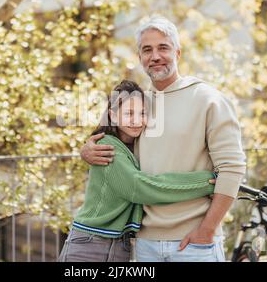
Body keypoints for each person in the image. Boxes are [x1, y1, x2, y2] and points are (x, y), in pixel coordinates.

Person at [80, 16, 246, 262]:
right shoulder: (137, 104)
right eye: (147, 50)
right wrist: (85, 151)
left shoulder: (208, 99)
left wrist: (207, 230)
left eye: (163, 48)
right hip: (145, 244)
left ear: (177, 53)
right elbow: (110, 139)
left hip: (194, 244)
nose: (155, 56)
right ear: (140, 58)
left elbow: (232, 168)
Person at [58, 80, 217, 262]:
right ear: (113, 115)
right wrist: (204, 182)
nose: (136, 120)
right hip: (90, 244)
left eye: (142, 113)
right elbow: (140, 188)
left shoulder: (139, 146)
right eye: (129, 113)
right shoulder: (106, 146)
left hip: (121, 246)